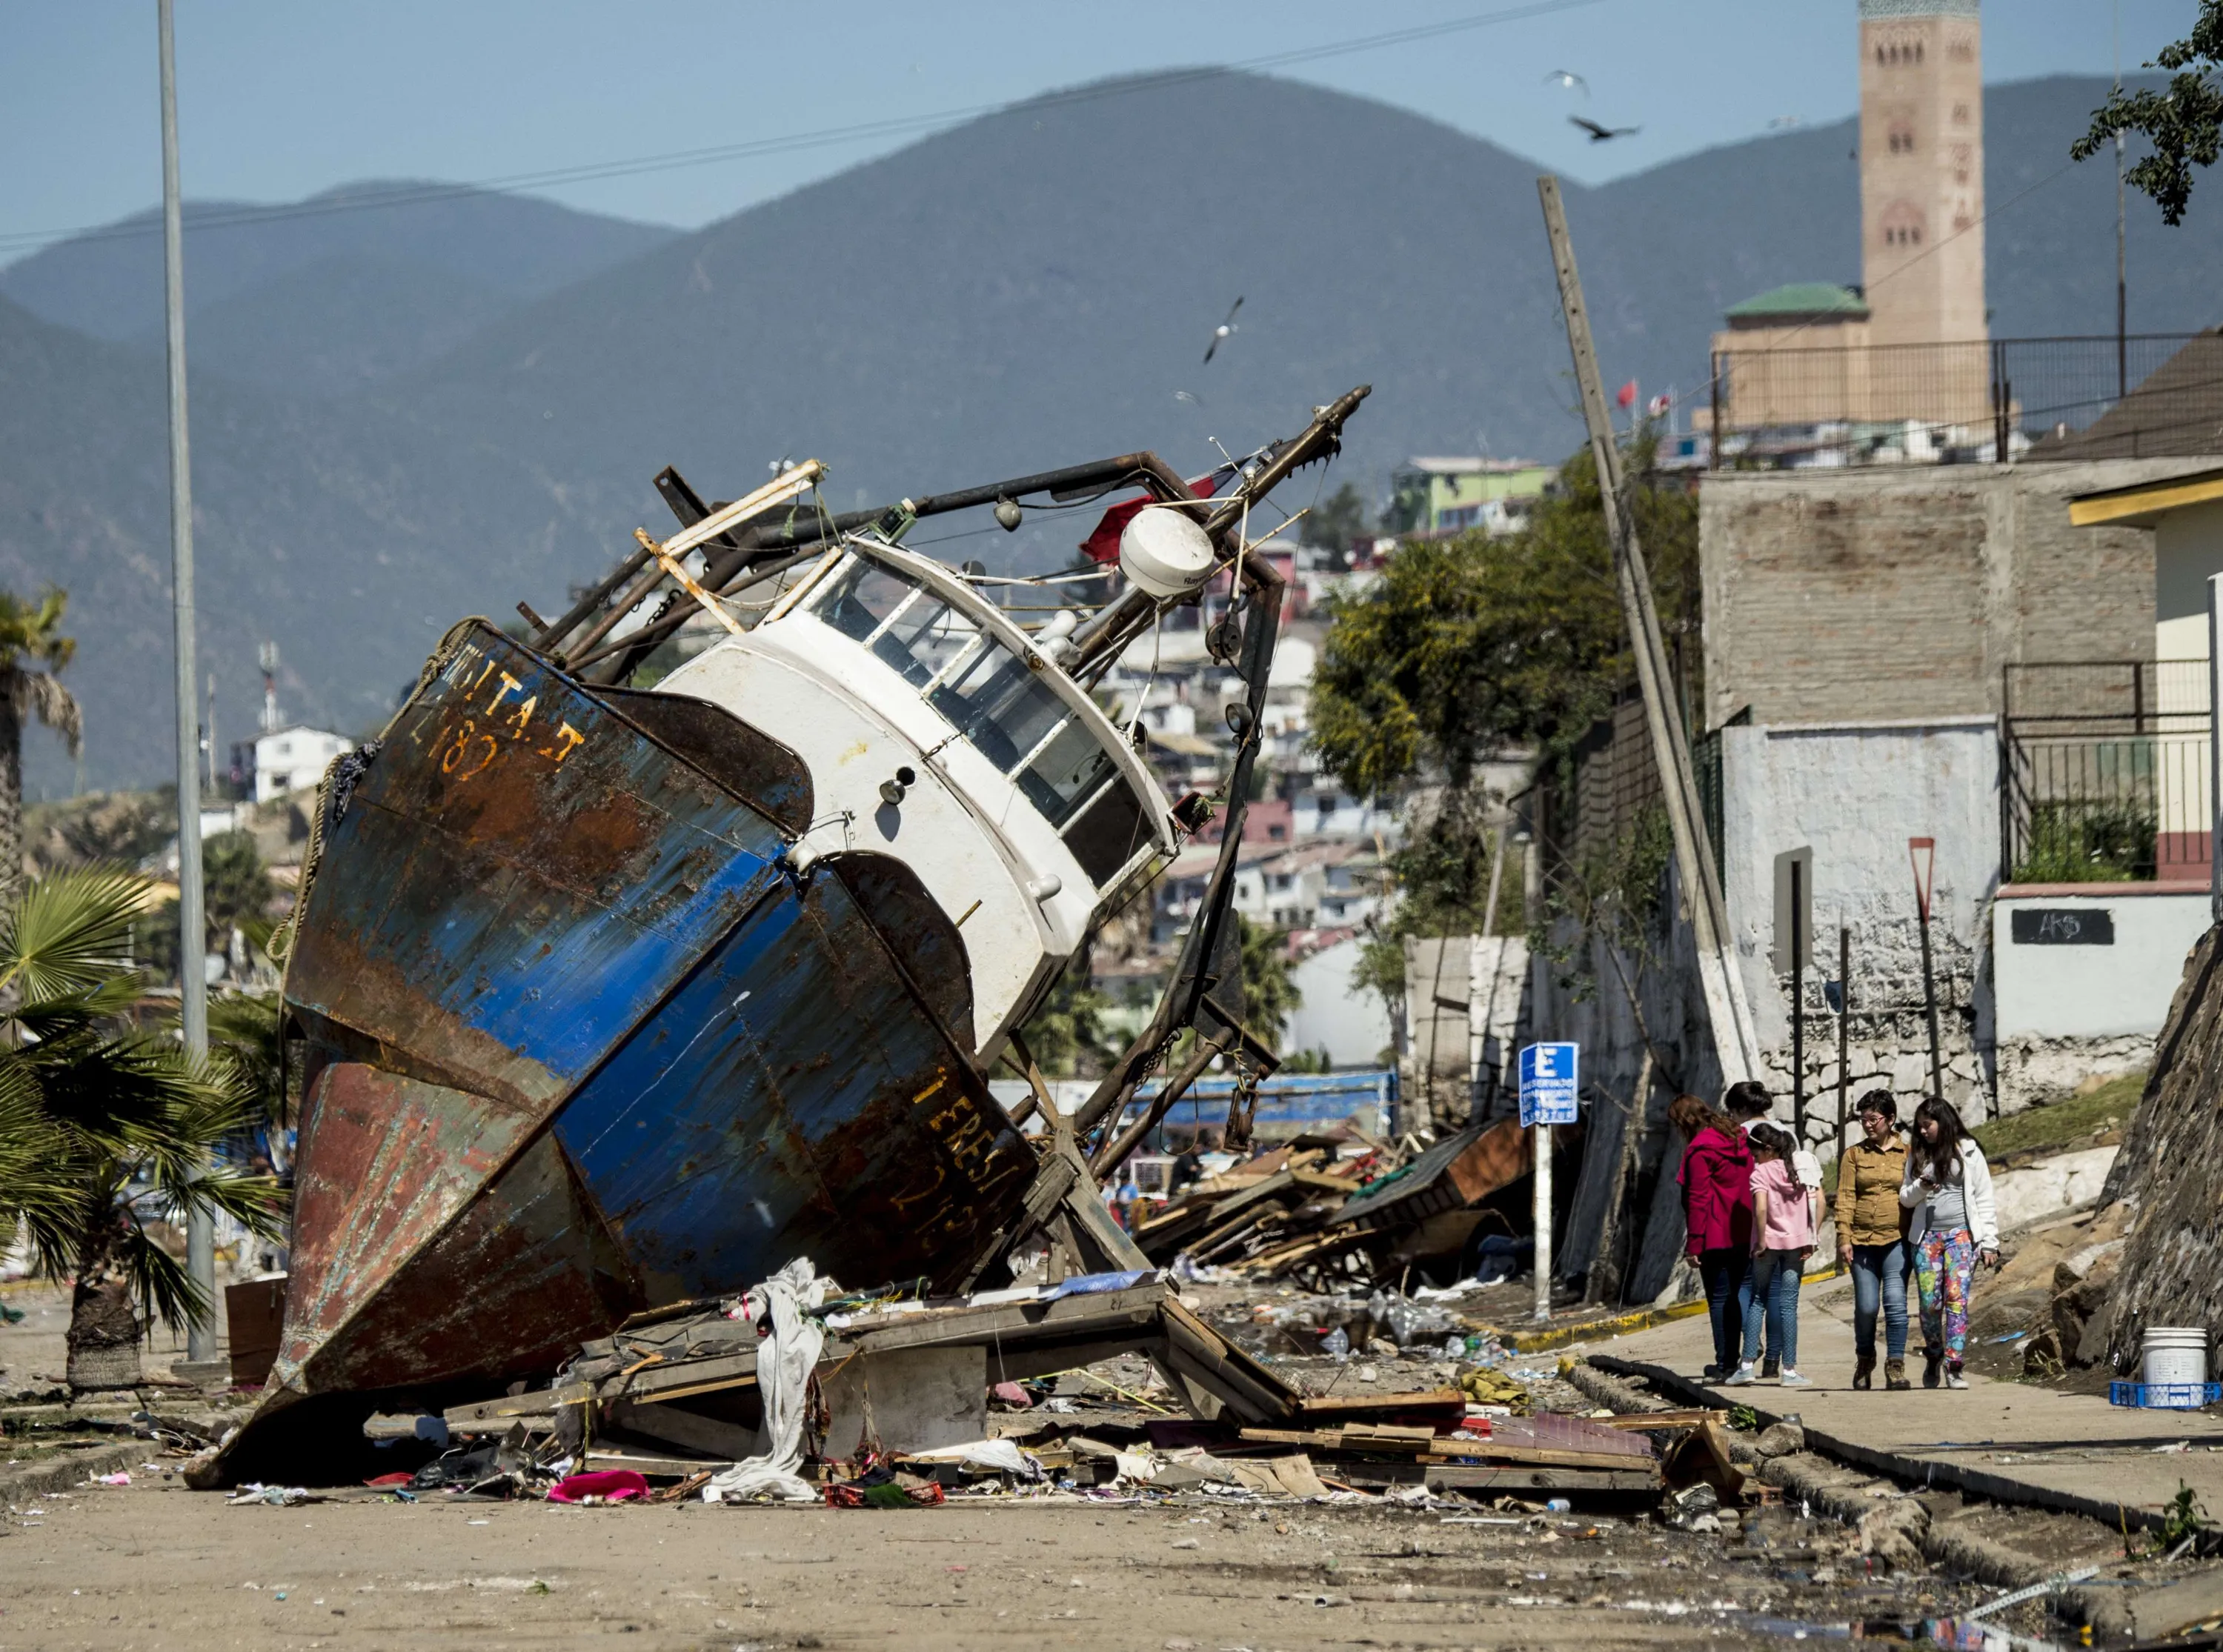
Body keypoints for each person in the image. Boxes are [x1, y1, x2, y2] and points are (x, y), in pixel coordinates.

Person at [1900, 1096, 2000, 1390]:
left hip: (1961, 1236)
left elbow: (1984, 1197)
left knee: (1957, 1299)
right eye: (1918, 1126)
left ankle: (1954, 1366)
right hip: (1927, 1238)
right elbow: (1905, 1198)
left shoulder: (1968, 1151)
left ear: (1942, 1122)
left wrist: (1990, 1242)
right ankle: (1934, 1353)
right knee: (1931, 1303)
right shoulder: (1917, 1154)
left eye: (1926, 1125)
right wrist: (1922, 1186)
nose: (1922, 1132)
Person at [1726, 1122, 1820, 1388]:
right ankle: (1789, 1371)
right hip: (1796, 1244)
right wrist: (1811, 1238)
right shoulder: (1798, 1169)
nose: (1754, 1159)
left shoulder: (1760, 1174)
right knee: (1789, 1304)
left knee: (1758, 1299)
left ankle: (1745, 1367)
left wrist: (1762, 1241)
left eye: (1755, 1154)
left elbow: (1761, 1209)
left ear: (1767, 1150)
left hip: (1767, 1246)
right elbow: (1817, 1201)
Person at [1672, 1093, 1753, 1382]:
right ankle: (1752, 1352)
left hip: (1715, 1235)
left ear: (1685, 1123)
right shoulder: (1739, 1138)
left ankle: (1725, 1364)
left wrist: (1694, 1244)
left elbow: (1698, 1198)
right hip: (1746, 1228)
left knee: (1720, 1299)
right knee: (1744, 1292)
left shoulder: (1699, 1150)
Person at [1836, 1090, 1913, 1390]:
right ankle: (1865, 1358)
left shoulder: (1907, 1154)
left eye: (1873, 1119)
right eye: (1863, 1119)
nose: (1868, 1125)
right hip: (1862, 1242)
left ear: (1890, 1119)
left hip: (1897, 1240)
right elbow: (1845, 1197)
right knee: (1867, 1307)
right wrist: (1844, 1237)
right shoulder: (1853, 1155)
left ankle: (1895, 1366)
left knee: (1895, 1304)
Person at [1721, 1082, 1779, 1374]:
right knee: (1781, 1295)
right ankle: (1776, 1360)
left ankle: (1751, 1342)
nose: (1731, 1119)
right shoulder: (1785, 1133)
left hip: (1750, 1220)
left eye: (1732, 1112)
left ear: (1742, 1110)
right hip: (1786, 1224)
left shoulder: (1740, 1137)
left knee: (1747, 1288)